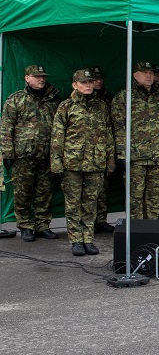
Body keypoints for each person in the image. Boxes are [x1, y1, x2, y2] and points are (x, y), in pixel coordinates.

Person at [49, 69, 116, 256]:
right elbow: (57, 136)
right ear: (74, 85)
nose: (88, 85)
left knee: (91, 203)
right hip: (73, 164)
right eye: (84, 82)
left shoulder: (101, 106)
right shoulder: (66, 106)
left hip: (95, 163)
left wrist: (110, 161)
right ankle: (76, 240)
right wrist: (56, 163)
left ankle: (88, 238)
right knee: (73, 204)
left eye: (90, 82)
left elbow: (108, 135)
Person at [112, 61, 159, 220]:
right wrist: (121, 154)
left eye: (151, 72)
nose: (149, 75)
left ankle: (152, 229)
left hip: (157, 156)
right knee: (134, 198)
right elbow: (118, 127)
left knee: (154, 198)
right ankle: (136, 232)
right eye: (144, 72)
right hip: (135, 158)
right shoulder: (124, 97)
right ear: (135, 75)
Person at [0, 65, 61, 241]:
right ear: (27, 78)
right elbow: (6, 128)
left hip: (46, 154)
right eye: (36, 76)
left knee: (45, 191)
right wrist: (8, 153)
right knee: (23, 192)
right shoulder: (16, 100)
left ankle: (42, 225)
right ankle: (26, 225)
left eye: (43, 76)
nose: (41, 79)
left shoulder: (53, 100)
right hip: (23, 155)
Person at [90, 65, 116, 233]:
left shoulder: (107, 98)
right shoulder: (73, 102)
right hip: (84, 152)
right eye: (94, 79)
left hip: (103, 149)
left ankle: (101, 219)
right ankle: (89, 222)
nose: (98, 82)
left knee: (103, 188)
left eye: (100, 79)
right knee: (88, 193)